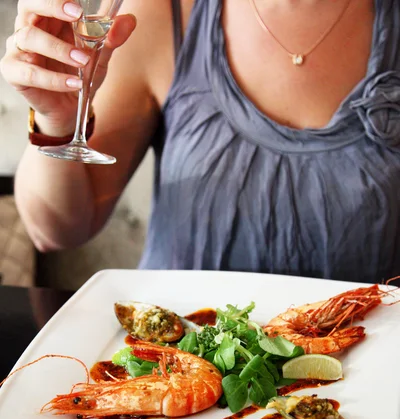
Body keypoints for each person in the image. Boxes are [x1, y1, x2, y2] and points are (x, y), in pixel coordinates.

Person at [0, 0, 399, 283]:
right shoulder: (163, 10)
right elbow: (54, 231)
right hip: (176, 375)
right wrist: (57, 118)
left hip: (364, 380)